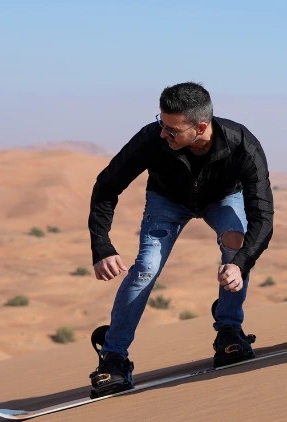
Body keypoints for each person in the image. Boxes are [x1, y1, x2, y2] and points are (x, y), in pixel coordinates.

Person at [86, 82, 274, 396]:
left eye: (172, 130)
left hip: (223, 199)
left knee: (235, 242)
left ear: (200, 127)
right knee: (145, 268)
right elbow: (106, 186)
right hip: (166, 202)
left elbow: (263, 217)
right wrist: (101, 244)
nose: (163, 133)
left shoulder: (242, 144)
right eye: (161, 123)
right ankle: (114, 357)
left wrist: (240, 265)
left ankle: (229, 331)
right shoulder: (151, 138)